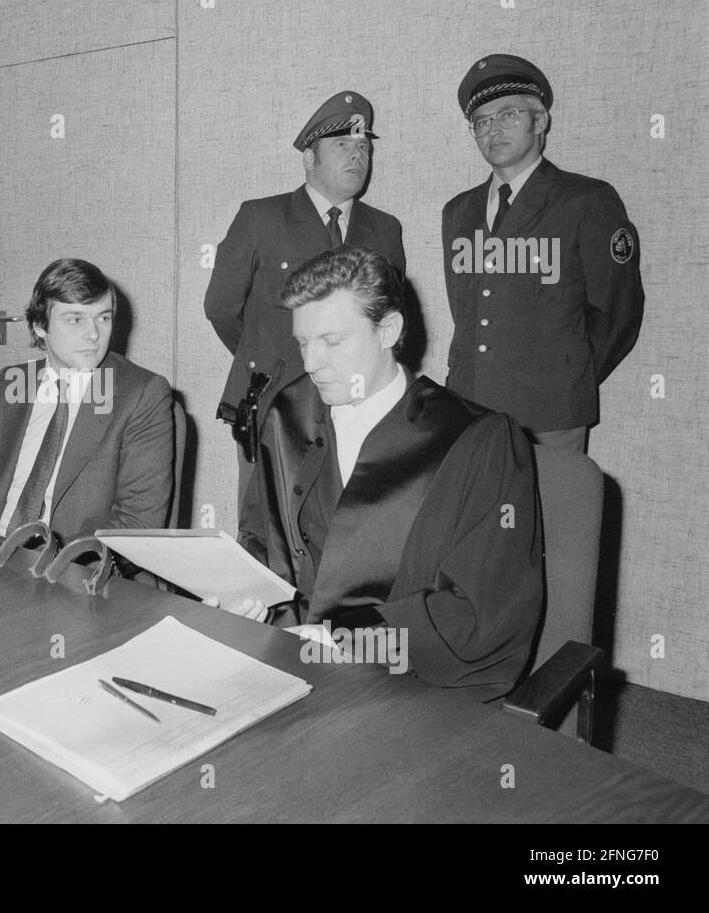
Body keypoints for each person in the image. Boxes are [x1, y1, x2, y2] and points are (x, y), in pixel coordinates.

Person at [232, 247, 542, 701]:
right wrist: (242, 595)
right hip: (289, 657)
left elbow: (481, 612)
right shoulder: (287, 414)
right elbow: (261, 539)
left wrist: (345, 643)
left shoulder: (477, 441)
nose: (312, 363)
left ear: (388, 331)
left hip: (407, 681)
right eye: (303, 342)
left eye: (332, 342)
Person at [205, 91, 405, 501]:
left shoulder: (385, 229)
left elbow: (389, 320)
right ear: (309, 158)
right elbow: (221, 308)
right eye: (342, 145)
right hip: (274, 403)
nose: (356, 156)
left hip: (355, 404)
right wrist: (269, 358)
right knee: (264, 529)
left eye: (363, 147)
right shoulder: (261, 217)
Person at [443, 54, 644, 452]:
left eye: (507, 115)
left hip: (550, 409)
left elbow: (618, 310)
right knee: (479, 513)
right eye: (481, 122)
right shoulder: (458, 211)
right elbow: (468, 307)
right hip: (470, 403)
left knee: (553, 512)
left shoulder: (586, 200)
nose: (492, 129)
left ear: (540, 122)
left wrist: (567, 376)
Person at [0, 258, 173, 541]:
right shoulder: (10, 385)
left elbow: (137, 523)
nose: (94, 335)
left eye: (104, 317)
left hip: (70, 563)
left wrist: (52, 566)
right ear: (40, 325)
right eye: (75, 319)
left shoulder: (140, 394)